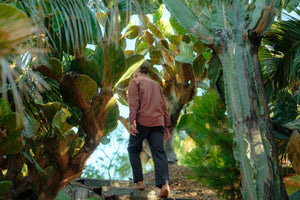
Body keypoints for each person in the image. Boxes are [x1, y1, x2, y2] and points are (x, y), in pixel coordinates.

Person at [127, 61, 171, 198]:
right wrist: (167, 127)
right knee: (159, 153)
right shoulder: (157, 85)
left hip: (142, 121)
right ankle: (164, 185)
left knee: (133, 149)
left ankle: (139, 182)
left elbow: (133, 104)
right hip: (158, 123)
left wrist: (132, 121)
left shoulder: (135, 82)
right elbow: (164, 107)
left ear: (138, 69)